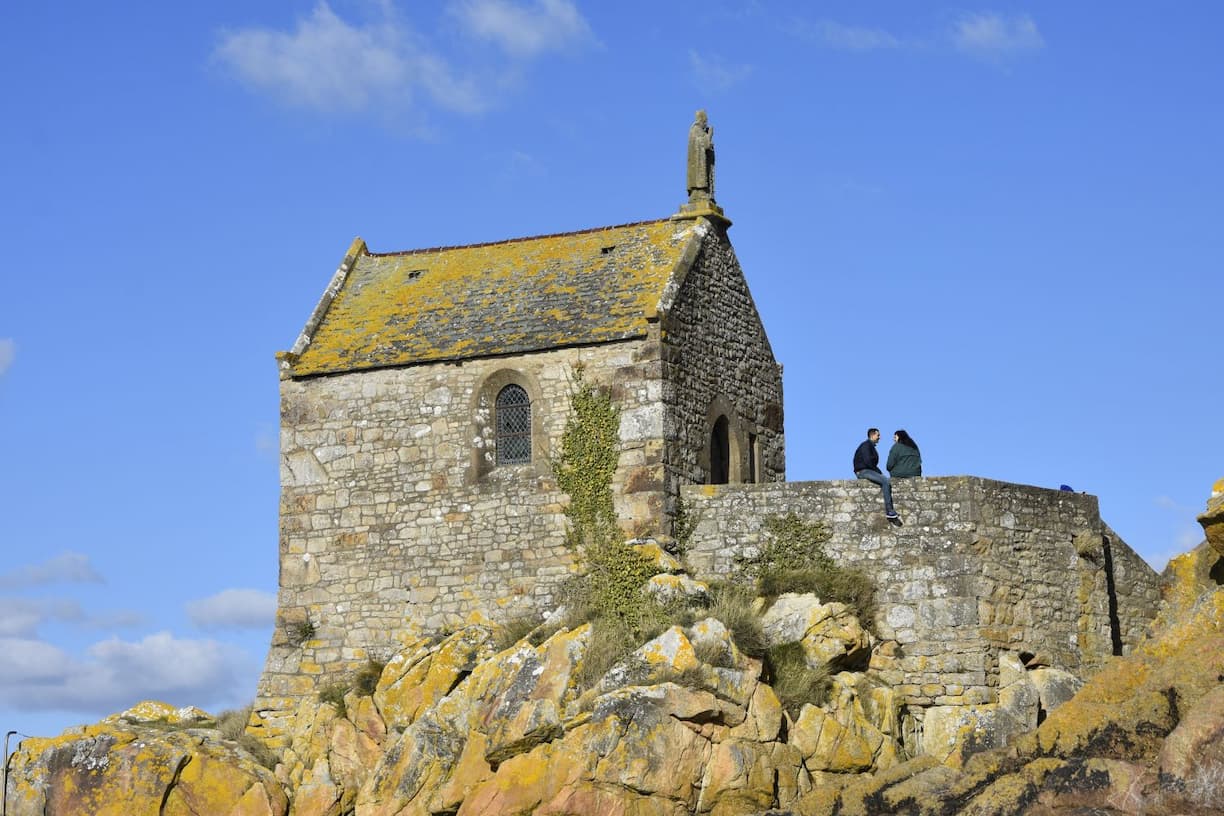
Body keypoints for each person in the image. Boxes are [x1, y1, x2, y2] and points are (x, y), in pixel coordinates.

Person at [854, 428, 901, 525]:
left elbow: (871, 464)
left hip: (866, 470)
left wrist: (879, 472)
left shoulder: (869, 446)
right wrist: (879, 474)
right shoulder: (866, 446)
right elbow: (868, 462)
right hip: (863, 471)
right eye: (878, 435)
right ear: (872, 435)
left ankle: (889, 510)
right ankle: (889, 510)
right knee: (885, 481)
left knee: (884, 479)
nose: (879, 437)